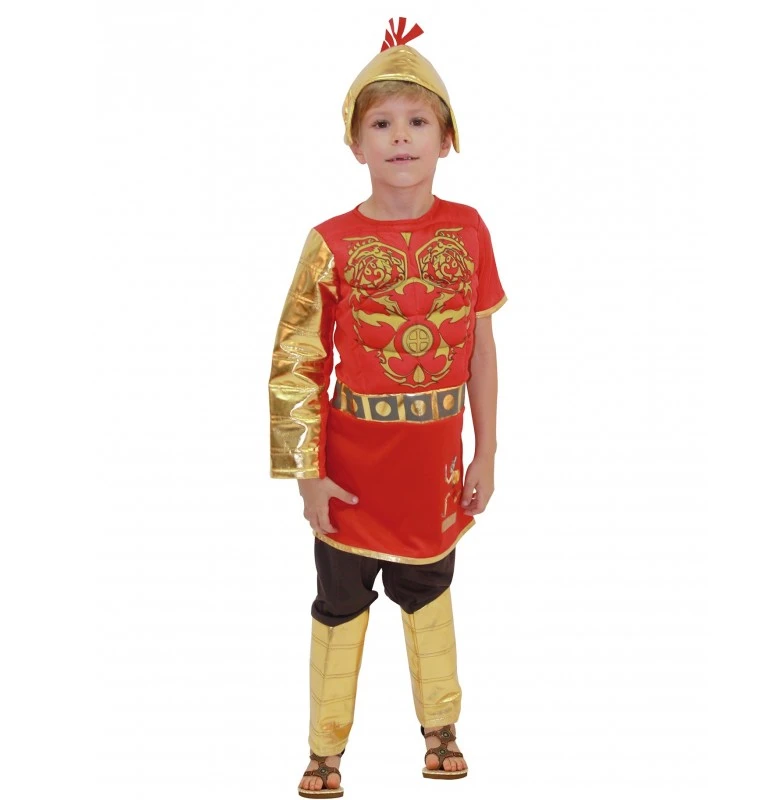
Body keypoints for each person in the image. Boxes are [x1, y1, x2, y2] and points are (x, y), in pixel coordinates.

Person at [268, 17, 507, 799]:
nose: (400, 137)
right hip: (352, 470)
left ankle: (441, 728)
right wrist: (307, 474)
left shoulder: (468, 230)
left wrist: (486, 451)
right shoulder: (329, 241)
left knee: (429, 591)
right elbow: (298, 360)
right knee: (339, 602)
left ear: (446, 138)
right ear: (355, 143)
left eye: (417, 121)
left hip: (432, 468)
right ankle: (324, 749)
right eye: (381, 124)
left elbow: (479, 350)